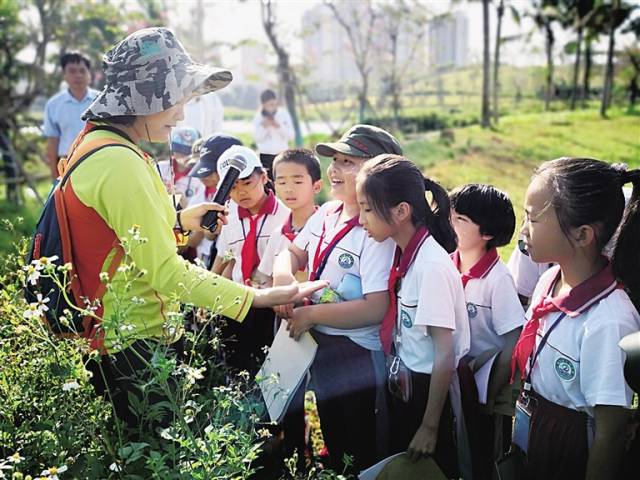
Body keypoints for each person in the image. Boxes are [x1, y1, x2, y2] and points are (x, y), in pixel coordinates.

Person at [58, 27, 323, 429]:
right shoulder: (120, 162)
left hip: (118, 335)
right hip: (134, 344)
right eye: (175, 102)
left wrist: (179, 220)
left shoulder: (101, 146)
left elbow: (121, 232)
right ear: (145, 98)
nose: (181, 114)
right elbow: (167, 274)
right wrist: (258, 297)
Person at [272, 125, 402, 473]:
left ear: (378, 172)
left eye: (348, 162)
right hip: (322, 344)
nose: (334, 169)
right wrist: (285, 280)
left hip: (358, 355)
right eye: (334, 160)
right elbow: (292, 253)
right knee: (332, 431)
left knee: (363, 446)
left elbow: (376, 308)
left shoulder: (377, 231)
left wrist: (311, 315)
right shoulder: (328, 212)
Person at [510, 157, 640, 480]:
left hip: (570, 450)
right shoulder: (549, 279)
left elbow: (610, 432)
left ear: (582, 235)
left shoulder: (609, 320)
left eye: (532, 219)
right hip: (536, 426)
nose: (523, 229)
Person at [355, 155, 469, 479]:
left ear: (401, 211)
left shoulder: (430, 266)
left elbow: (444, 352)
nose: (361, 219)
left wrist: (429, 426)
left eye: (367, 208)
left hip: (430, 394)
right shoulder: (407, 254)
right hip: (409, 383)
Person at [449, 184, 524, 478]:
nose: (450, 224)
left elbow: (512, 342)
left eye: (460, 220)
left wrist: (490, 397)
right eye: (450, 216)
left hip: (482, 389)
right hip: (451, 380)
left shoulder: (498, 279)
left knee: (483, 456)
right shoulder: (446, 264)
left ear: (488, 233)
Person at [211, 145, 290, 374]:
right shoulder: (229, 215)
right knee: (236, 368)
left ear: (264, 177)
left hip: (270, 304)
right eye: (233, 187)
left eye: (247, 183)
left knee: (270, 371)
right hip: (237, 301)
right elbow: (227, 257)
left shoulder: (285, 216)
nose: (241, 193)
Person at [258, 148, 323, 285]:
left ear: (316, 186)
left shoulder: (327, 229)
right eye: (282, 183)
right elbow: (265, 277)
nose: (289, 189)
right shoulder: (278, 234)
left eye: (298, 182)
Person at [187, 133, 243, 268]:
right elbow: (209, 235)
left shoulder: (243, 202)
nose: (205, 176)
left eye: (212, 171)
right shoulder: (210, 196)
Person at [43, 51, 99, 179]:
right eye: (72, 71)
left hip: (98, 159)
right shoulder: (54, 105)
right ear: (64, 75)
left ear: (89, 74)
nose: (78, 75)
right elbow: (53, 141)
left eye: (82, 70)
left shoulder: (102, 101)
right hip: (66, 164)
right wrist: (54, 174)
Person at [157, 125, 203, 209]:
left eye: (188, 153)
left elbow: (198, 211)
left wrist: (182, 198)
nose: (184, 157)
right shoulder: (159, 167)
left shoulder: (201, 178)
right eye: (179, 152)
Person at [252, 89, 294, 179]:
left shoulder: (283, 114)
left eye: (273, 104)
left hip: (282, 154)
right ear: (263, 105)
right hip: (265, 155)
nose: (272, 107)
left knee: (282, 180)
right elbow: (257, 139)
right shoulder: (258, 117)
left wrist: (279, 126)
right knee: (268, 182)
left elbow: (291, 136)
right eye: (269, 105)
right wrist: (264, 127)